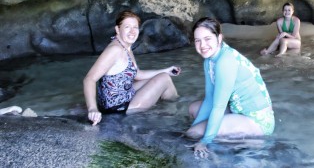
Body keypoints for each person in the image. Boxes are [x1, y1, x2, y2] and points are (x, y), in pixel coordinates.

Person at [186, 17, 274, 158]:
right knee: (193, 111)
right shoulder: (209, 60)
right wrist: (192, 128)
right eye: (197, 40)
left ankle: (223, 153)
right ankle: (220, 139)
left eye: (207, 39)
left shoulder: (225, 61)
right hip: (238, 112)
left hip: (258, 121)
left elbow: (219, 106)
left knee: (196, 133)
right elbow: (209, 98)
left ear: (219, 38)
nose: (202, 45)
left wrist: (205, 141)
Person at [83, 10, 180, 125]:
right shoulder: (115, 50)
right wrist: (92, 109)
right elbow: (89, 79)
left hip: (124, 96)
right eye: (127, 27)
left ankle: (167, 108)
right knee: (164, 79)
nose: (132, 31)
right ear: (118, 30)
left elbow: (137, 74)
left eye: (135, 27)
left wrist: (166, 70)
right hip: (118, 109)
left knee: (163, 75)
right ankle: (174, 113)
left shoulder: (125, 46)